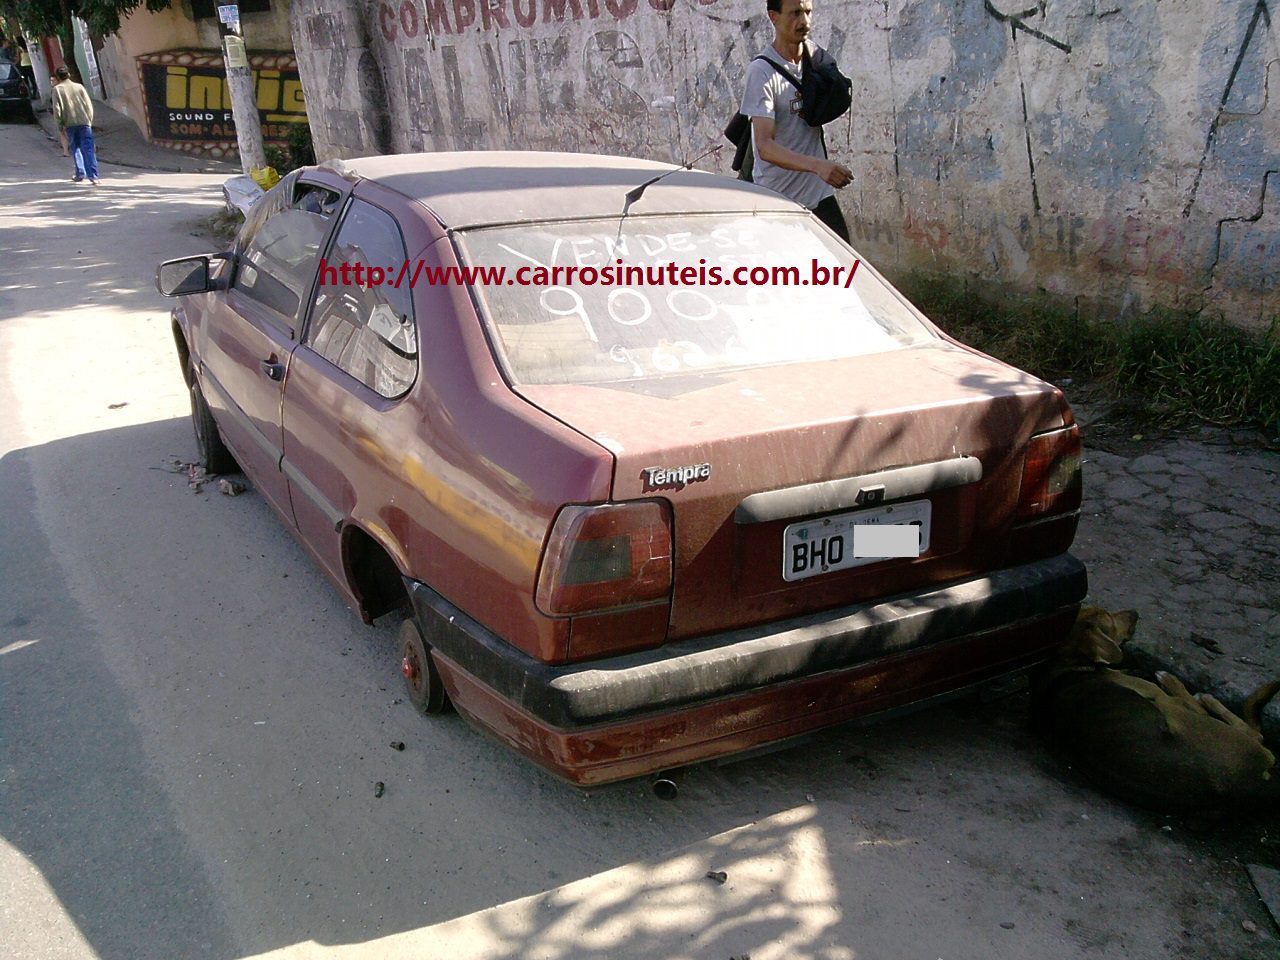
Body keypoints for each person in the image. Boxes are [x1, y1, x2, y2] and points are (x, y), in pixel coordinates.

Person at [740, 0, 853, 243]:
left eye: (807, 12)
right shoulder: (761, 72)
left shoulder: (816, 58)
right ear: (774, 17)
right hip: (778, 199)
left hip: (819, 195)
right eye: (794, 14)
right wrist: (818, 166)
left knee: (845, 274)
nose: (804, 22)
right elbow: (764, 146)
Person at [52, 66, 99, 184]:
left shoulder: (57, 89)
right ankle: (93, 176)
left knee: (76, 148)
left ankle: (80, 173)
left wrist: (60, 125)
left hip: (69, 123)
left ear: (58, 77)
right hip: (84, 122)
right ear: (69, 74)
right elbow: (88, 105)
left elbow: (57, 109)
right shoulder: (79, 87)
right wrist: (89, 120)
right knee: (88, 149)